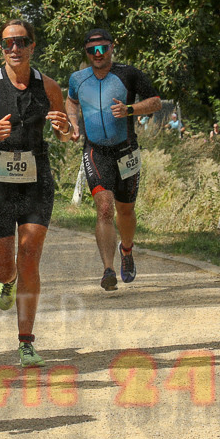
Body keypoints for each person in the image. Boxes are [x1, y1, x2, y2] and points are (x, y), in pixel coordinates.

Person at [0, 19, 72, 368]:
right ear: (2, 48)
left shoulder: (49, 87)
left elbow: (65, 133)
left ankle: (26, 342)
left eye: (21, 42)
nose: (14, 49)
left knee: (31, 252)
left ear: (33, 46)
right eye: (7, 44)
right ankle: (6, 281)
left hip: (36, 178)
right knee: (6, 267)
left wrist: (65, 129)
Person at [66, 28, 162, 291]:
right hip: (95, 150)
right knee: (104, 207)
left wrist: (130, 109)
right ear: (85, 53)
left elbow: (155, 102)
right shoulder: (77, 78)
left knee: (126, 209)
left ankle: (127, 250)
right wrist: (74, 124)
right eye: (91, 50)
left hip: (126, 150)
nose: (98, 54)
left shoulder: (129, 74)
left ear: (112, 48)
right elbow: (71, 102)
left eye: (103, 48)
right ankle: (108, 269)